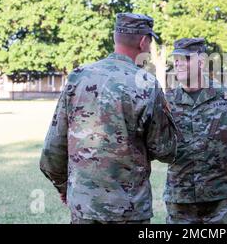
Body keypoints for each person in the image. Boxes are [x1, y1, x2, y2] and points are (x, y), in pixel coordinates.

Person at [40, 13, 179, 224]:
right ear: (143, 42)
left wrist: (64, 186)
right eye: (150, 41)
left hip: (84, 206)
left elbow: (52, 149)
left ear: (116, 38)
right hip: (129, 211)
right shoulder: (146, 84)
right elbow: (165, 150)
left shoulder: (78, 77)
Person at [163, 38, 227, 224]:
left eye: (184, 58)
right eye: (175, 58)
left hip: (222, 197)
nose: (177, 63)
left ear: (201, 62)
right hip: (180, 198)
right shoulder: (166, 101)